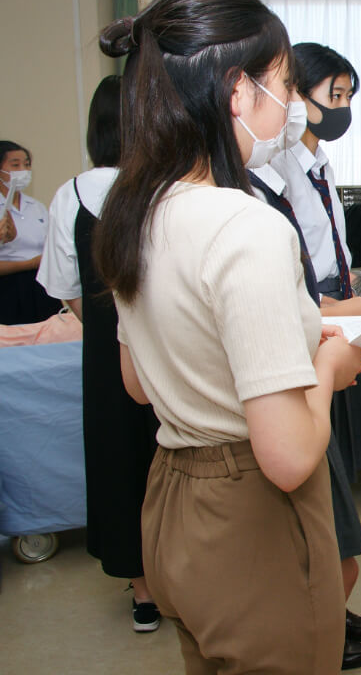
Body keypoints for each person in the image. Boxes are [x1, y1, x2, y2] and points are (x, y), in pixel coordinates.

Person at [96, 0, 361, 674]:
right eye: (283, 84)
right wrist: (331, 370)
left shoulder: (137, 210)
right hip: (251, 514)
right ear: (236, 92)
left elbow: (136, 383)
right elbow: (286, 456)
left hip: (173, 501)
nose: (291, 107)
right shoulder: (245, 225)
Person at [251, 42, 361, 669]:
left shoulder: (319, 162)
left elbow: (327, 248)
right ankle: (320, 616)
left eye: (349, 97)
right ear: (294, 96)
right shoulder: (268, 172)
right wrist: (335, 310)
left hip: (335, 307)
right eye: (334, 95)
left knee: (342, 476)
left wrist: (354, 295)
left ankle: (335, 599)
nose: (344, 108)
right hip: (311, 318)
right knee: (316, 478)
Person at [36, 75, 163, 632]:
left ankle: (142, 590)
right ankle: (186, 573)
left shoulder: (71, 193)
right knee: (176, 457)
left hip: (106, 353)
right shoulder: (165, 186)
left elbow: (63, 283)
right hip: (171, 347)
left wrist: (109, 327)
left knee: (119, 461)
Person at [0, 141, 61, 325]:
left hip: (40, 286)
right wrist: (30, 263)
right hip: (7, 290)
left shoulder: (37, 207)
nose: (23, 170)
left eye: (26, 164)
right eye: (15, 164)